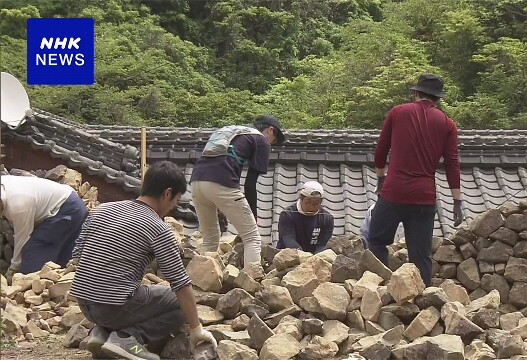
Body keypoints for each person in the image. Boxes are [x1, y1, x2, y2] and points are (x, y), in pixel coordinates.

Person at [69, 161, 216, 360]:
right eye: (176, 200)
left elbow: (77, 255)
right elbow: (180, 284)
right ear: (167, 193)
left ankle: (101, 333)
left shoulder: (102, 210)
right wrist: (197, 329)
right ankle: (127, 338)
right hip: (112, 308)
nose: (173, 207)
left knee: (130, 293)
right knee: (180, 303)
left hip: (84, 302)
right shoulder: (157, 227)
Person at [368, 73, 463, 287]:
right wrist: (457, 201)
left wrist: (381, 178)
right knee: (421, 255)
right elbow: (452, 163)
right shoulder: (447, 124)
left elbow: (381, 150)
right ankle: (423, 301)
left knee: (376, 240)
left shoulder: (398, 112)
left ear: (416, 93)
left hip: (394, 191)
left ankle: (377, 288)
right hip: (424, 197)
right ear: (438, 98)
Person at [190, 115, 285, 272]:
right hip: (221, 182)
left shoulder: (235, 132)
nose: (271, 144)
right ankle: (252, 283)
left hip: (196, 181)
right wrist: (253, 216)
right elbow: (250, 184)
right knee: (252, 237)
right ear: (270, 130)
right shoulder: (261, 140)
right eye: (273, 140)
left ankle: (201, 281)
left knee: (210, 239)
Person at [0, 174, 87, 282]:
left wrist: (13, 268)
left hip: (68, 209)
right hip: (69, 203)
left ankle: (29, 286)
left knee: (33, 249)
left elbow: (22, 238)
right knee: (62, 255)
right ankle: (59, 284)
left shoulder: (18, 206)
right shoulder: (3, 182)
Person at [277, 181, 334, 254]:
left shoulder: (327, 218)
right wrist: (304, 256)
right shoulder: (288, 214)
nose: (312, 206)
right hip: (288, 257)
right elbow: (289, 239)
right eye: (308, 202)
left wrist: (314, 258)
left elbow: (323, 244)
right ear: (301, 198)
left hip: (314, 258)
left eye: (316, 203)